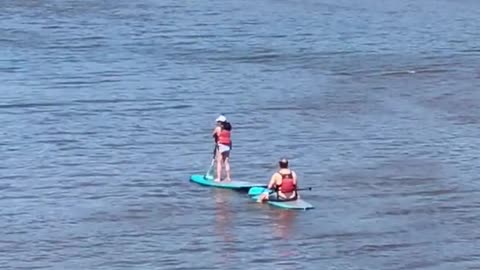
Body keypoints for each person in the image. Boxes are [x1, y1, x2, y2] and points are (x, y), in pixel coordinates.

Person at [212, 115, 232, 182]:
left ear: (220, 122)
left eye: (218, 122)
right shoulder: (228, 128)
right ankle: (228, 178)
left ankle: (218, 178)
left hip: (221, 146)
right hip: (228, 146)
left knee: (219, 162)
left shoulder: (218, 128)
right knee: (226, 162)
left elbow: (213, 134)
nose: (217, 123)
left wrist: (215, 136)